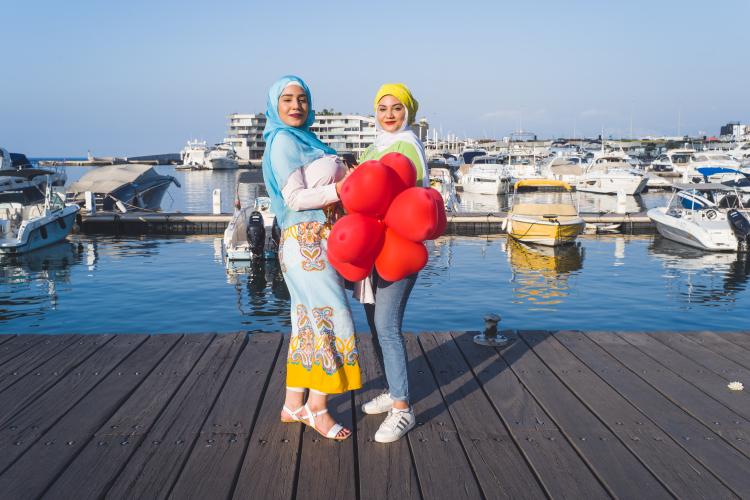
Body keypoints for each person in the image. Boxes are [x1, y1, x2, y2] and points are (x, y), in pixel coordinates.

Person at [262, 75, 360, 440]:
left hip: (313, 241)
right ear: (274, 105)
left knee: (306, 323)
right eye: (287, 99)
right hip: (306, 243)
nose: (296, 105)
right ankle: (317, 408)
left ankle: (293, 404)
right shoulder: (283, 141)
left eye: (302, 99)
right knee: (334, 320)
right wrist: (342, 188)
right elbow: (294, 199)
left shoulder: (307, 139)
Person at [357, 83, 427, 443]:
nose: (389, 114)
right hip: (372, 244)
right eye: (382, 108)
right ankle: (392, 388)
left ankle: (403, 409)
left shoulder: (407, 146)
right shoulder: (374, 146)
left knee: (386, 325)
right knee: (374, 323)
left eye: (397, 108)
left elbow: (410, 198)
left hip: (398, 247)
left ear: (408, 112)